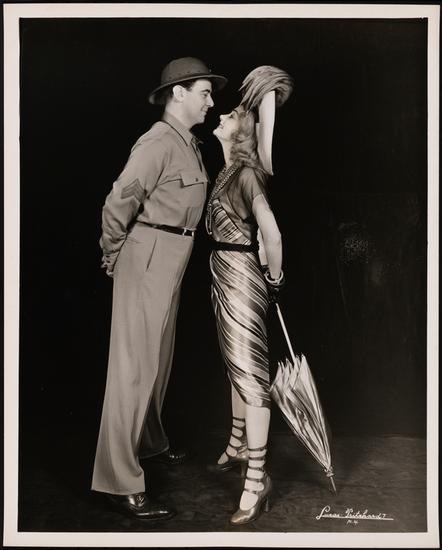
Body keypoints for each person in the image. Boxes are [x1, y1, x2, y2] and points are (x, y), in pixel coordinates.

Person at [92, 57, 227, 521]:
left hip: (172, 257)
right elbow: (119, 202)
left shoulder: (186, 143)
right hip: (148, 255)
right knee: (133, 368)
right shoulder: (157, 141)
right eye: (204, 93)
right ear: (178, 94)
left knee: (158, 361)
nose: (211, 102)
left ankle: (147, 442)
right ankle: (118, 481)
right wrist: (113, 255)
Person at [206, 66, 293, 525]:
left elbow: (272, 233)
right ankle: (239, 444)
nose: (221, 115)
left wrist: (274, 278)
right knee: (236, 367)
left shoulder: (246, 175)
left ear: (241, 132)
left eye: (231, 115)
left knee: (252, 378)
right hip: (226, 272)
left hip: (240, 277)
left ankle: (257, 481)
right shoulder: (228, 171)